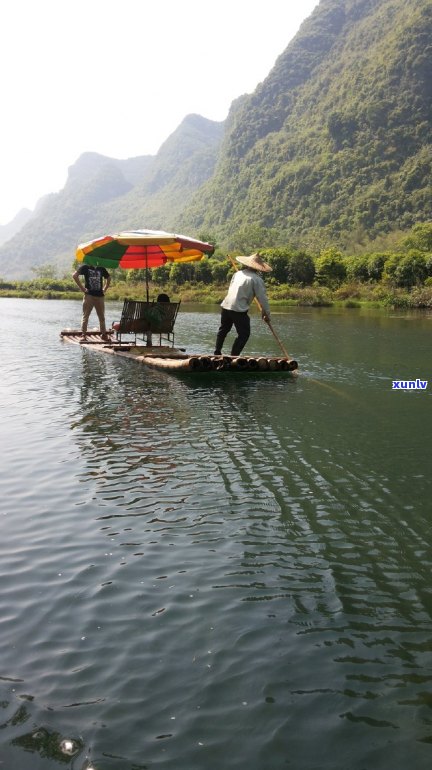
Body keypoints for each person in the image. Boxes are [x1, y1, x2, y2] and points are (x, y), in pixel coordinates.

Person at [214, 253, 272, 356]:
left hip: (226, 306)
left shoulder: (238, 274)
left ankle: (217, 352)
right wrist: (266, 314)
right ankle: (234, 356)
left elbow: (231, 289)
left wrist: (264, 313)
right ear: (258, 268)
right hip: (238, 309)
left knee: (223, 329)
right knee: (244, 334)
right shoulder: (257, 280)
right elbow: (262, 299)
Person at [72, 264, 111, 341]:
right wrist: (82, 289)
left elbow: (109, 278)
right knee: (85, 316)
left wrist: (105, 288)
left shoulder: (101, 268)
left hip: (100, 296)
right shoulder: (85, 267)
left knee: (102, 317)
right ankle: (83, 335)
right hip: (89, 295)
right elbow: (74, 275)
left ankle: (103, 335)